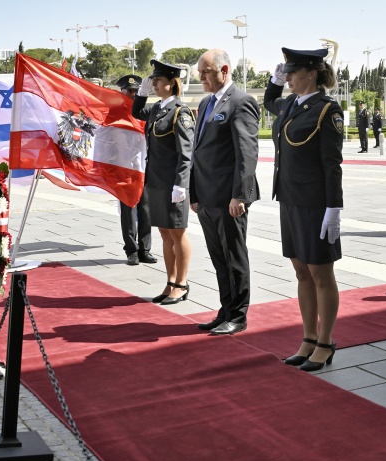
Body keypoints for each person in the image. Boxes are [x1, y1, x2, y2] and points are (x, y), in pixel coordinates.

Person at [264, 47, 343, 372]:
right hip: (289, 199)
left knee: (320, 273)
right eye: (286, 73)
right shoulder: (289, 105)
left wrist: (334, 208)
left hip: (315, 204)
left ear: (311, 73)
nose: (288, 78)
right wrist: (273, 79)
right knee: (300, 271)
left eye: (292, 73)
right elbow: (270, 100)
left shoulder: (327, 110)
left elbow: (332, 164)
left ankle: (325, 342)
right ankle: (308, 338)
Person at [190, 49, 260, 335]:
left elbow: (247, 153)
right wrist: (194, 193)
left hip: (228, 197)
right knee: (219, 258)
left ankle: (239, 315)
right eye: (200, 72)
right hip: (206, 196)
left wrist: (240, 195)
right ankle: (225, 310)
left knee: (234, 256)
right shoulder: (207, 102)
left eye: (206, 71)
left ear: (224, 70)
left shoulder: (241, 102)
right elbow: (197, 152)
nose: (201, 76)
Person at [132, 60, 194, 305]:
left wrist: (181, 184)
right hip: (156, 182)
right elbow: (136, 112)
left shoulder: (181, 111)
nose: (154, 84)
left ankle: (182, 283)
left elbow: (186, 152)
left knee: (178, 234)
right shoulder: (158, 108)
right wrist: (141, 93)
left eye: (158, 80)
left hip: (173, 184)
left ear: (171, 83)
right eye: (153, 80)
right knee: (165, 234)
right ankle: (170, 282)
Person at [115, 74, 156, 267]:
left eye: (135, 91)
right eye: (129, 91)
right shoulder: (114, 112)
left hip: (144, 166)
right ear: (121, 92)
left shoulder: (145, 111)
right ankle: (131, 250)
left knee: (146, 209)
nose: (132, 94)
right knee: (128, 211)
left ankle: (145, 249)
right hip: (124, 168)